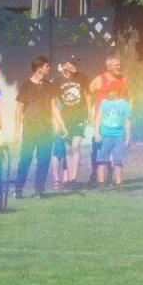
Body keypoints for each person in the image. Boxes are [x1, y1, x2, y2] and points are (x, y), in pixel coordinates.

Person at [13, 56, 65, 199]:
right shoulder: (26, 86)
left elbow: (53, 108)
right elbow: (19, 110)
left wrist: (61, 124)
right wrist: (16, 132)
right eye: (47, 66)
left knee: (44, 159)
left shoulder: (49, 86)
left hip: (45, 128)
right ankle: (18, 189)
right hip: (30, 128)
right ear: (39, 68)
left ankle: (39, 191)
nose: (49, 68)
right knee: (26, 159)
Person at [88, 54, 129, 185]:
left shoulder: (123, 79)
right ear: (108, 66)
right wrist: (90, 112)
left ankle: (112, 177)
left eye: (120, 65)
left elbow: (129, 96)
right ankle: (95, 175)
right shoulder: (99, 79)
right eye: (116, 65)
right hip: (101, 120)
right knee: (99, 148)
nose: (119, 67)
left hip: (116, 120)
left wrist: (127, 113)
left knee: (115, 150)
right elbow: (87, 94)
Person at [52, 56, 88, 190]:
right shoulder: (57, 81)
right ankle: (67, 181)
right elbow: (54, 103)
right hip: (65, 118)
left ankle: (73, 178)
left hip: (79, 116)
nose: (74, 66)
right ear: (64, 65)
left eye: (76, 63)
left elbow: (88, 95)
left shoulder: (82, 77)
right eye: (71, 63)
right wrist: (56, 121)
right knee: (67, 150)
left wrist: (89, 114)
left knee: (75, 147)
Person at [93, 83, 132, 187]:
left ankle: (118, 183)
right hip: (104, 135)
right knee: (101, 159)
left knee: (118, 160)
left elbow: (127, 121)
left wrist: (128, 137)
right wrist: (97, 133)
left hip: (118, 136)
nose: (107, 93)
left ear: (116, 92)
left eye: (109, 91)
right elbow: (98, 118)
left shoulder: (124, 104)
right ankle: (101, 182)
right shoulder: (104, 102)